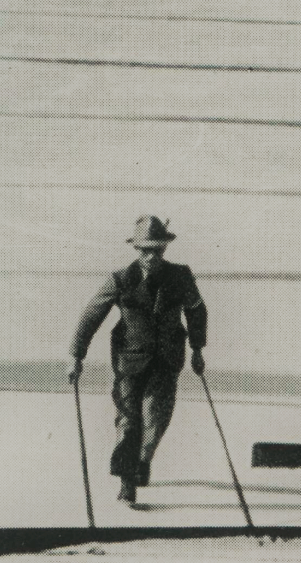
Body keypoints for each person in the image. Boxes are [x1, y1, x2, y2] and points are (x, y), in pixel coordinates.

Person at [70, 216, 206, 505]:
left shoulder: (181, 276)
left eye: (157, 249)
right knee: (129, 420)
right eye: (145, 249)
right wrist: (76, 356)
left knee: (156, 418)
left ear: (165, 248)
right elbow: (92, 315)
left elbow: (196, 311)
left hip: (167, 360)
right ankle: (127, 481)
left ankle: (142, 460)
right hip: (129, 361)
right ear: (136, 249)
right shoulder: (120, 279)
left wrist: (197, 349)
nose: (151, 256)